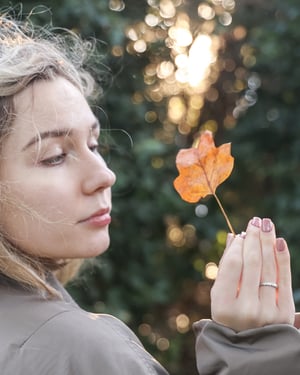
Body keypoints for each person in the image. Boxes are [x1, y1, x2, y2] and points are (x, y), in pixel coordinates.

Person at [0, 11, 298, 375]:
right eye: (55, 156)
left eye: (94, 144)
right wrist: (258, 355)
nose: (104, 175)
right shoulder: (84, 353)